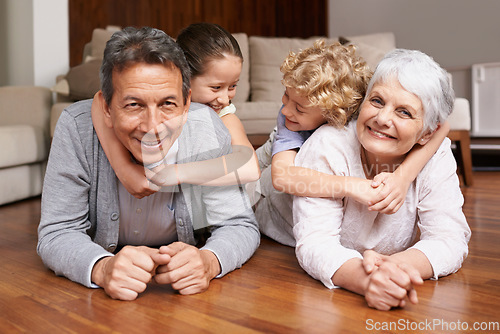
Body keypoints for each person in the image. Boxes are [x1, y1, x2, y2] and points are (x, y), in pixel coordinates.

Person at [37, 26, 260, 301]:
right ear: (106, 107)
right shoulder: (75, 128)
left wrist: (209, 260)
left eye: (168, 103)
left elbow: (238, 225)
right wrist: (102, 267)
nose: (153, 127)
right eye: (134, 105)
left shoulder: (206, 128)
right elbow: (58, 231)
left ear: (187, 103)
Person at [292, 49, 471, 310]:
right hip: (272, 212)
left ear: (426, 135)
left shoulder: (436, 153)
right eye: (376, 101)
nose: (382, 119)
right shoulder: (328, 144)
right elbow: (315, 244)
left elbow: (450, 238)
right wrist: (367, 281)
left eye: (404, 112)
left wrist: (395, 268)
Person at [254, 40, 450, 246]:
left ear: (334, 112)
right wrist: (353, 186)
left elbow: (443, 126)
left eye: (300, 108)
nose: (285, 110)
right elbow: (282, 178)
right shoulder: (289, 121)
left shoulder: (360, 109)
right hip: (258, 187)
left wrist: (402, 178)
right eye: (286, 96)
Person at [91, 23, 260, 199]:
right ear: (183, 76)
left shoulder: (224, 116)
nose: (225, 99)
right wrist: (124, 169)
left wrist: (178, 173)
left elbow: (250, 168)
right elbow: (98, 102)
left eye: (233, 86)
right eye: (216, 87)